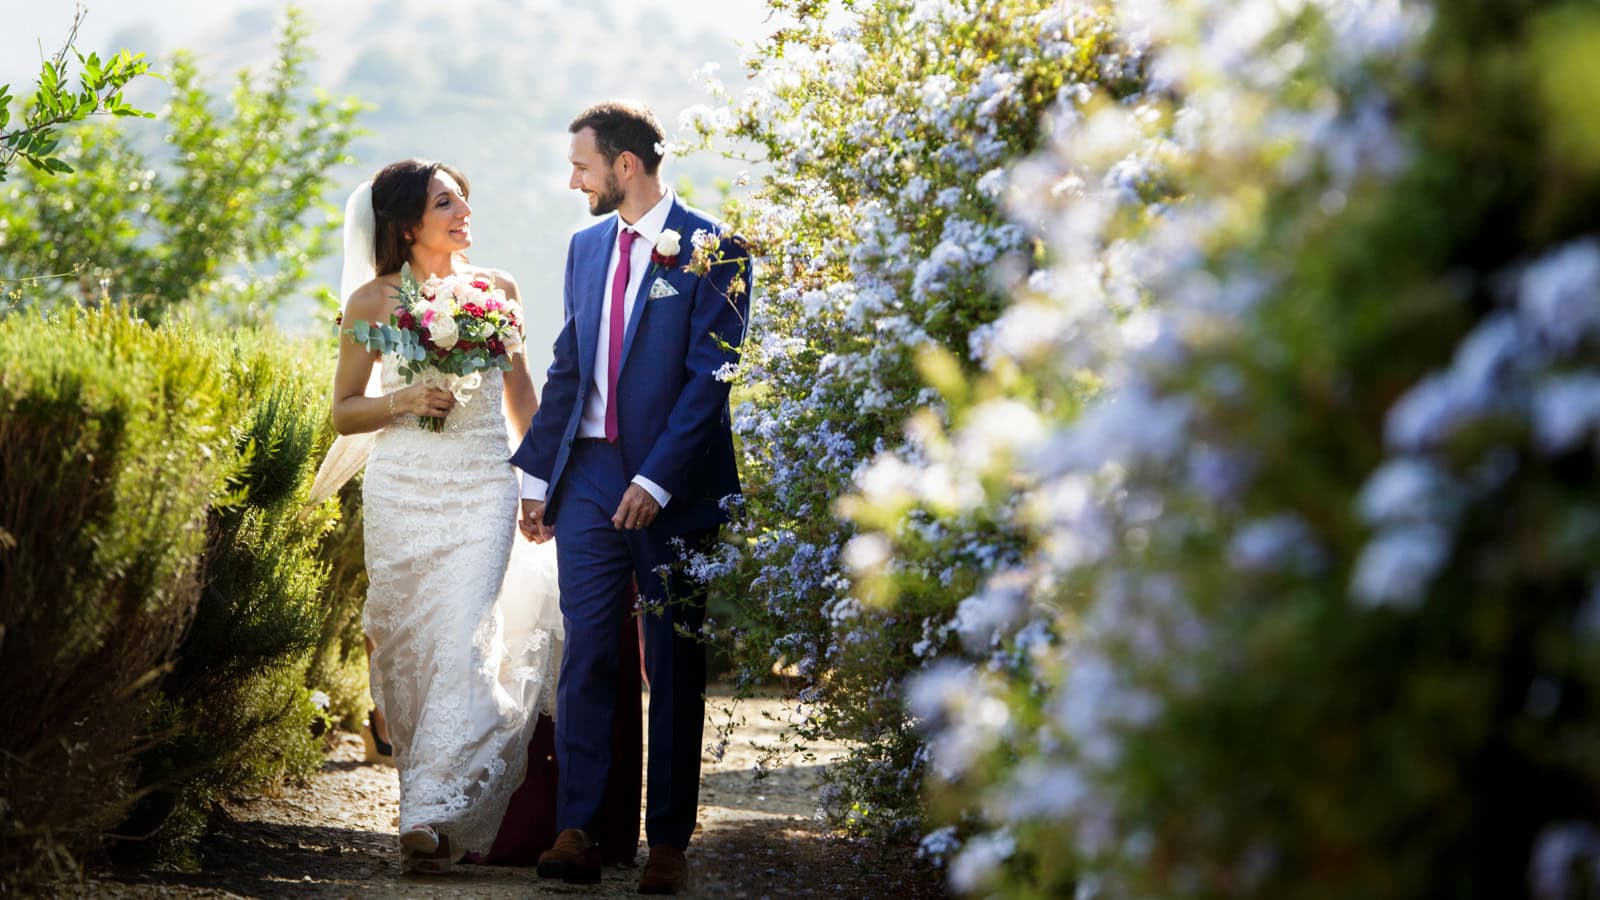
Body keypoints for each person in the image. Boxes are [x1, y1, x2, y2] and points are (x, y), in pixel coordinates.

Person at [511, 101, 753, 895]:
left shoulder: (715, 250)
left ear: (625, 165)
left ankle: (670, 843)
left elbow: (709, 381)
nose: (571, 179)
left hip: (671, 486)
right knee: (588, 650)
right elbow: (566, 368)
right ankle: (577, 831)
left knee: (674, 659)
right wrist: (537, 479)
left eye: (581, 164)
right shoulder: (584, 248)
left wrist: (656, 481)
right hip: (585, 478)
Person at [325, 158, 558, 874]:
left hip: (483, 484)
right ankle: (431, 795)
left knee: (461, 639)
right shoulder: (371, 302)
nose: (463, 213)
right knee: (410, 655)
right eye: (444, 203)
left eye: (463, 200)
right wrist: (403, 401)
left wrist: (540, 480)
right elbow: (343, 413)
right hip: (401, 489)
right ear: (405, 223)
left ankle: (424, 814)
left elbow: (521, 393)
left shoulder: (498, 291)